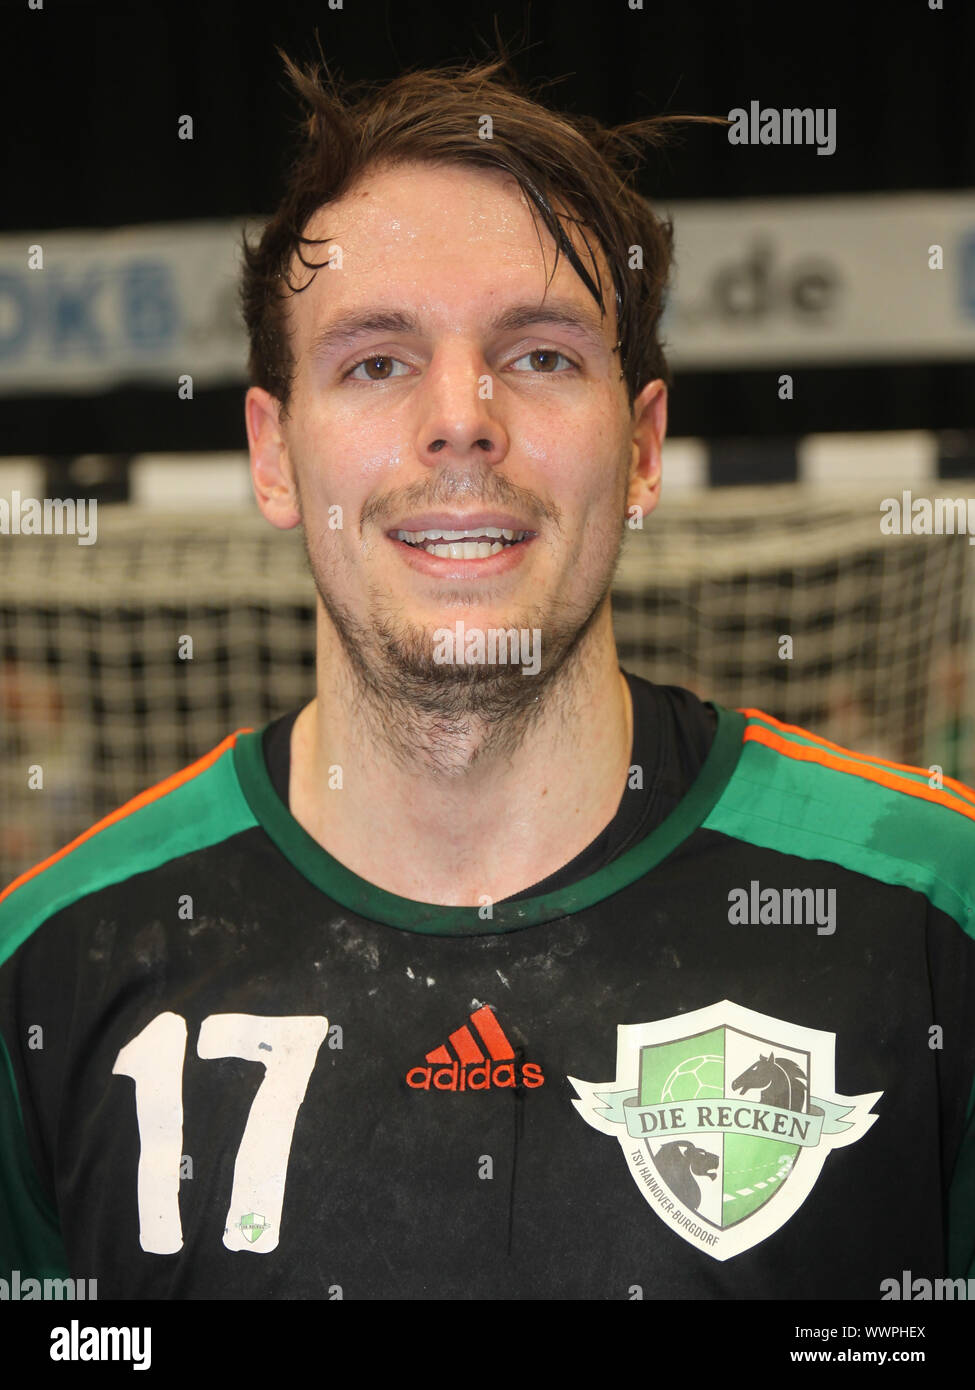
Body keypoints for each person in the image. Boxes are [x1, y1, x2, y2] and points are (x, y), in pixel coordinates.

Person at [1, 52, 973, 1301]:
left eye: (543, 355)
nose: (463, 417)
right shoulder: (53, 966)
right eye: (377, 361)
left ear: (642, 447)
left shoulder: (930, 913)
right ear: (274, 455)